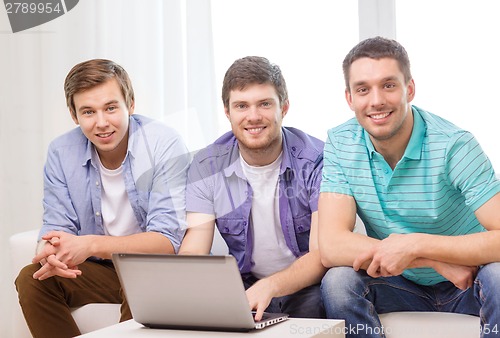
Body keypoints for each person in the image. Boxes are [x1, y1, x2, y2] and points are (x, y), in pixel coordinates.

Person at [318, 36, 500, 337]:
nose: (376, 100)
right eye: (363, 89)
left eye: (388, 85)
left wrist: (416, 244)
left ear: (409, 89)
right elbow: (331, 245)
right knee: (338, 282)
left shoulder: (454, 145)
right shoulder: (340, 143)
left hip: (469, 280)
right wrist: (433, 261)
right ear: (350, 98)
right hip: (399, 283)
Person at [15, 59, 190, 338]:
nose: (101, 123)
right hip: (101, 271)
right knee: (32, 279)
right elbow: (57, 224)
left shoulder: (163, 143)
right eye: (88, 111)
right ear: (74, 115)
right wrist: (50, 249)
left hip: (152, 267)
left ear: (130, 105)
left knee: (141, 277)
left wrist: (91, 244)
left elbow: (166, 241)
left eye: (110, 108)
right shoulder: (62, 151)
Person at [179, 56, 326, 321]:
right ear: (228, 112)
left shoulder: (316, 160)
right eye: (241, 106)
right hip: (244, 284)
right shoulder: (207, 165)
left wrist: (270, 286)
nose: (253, 116)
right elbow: (196, 245)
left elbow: (320, 255)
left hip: (307, 286)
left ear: (284, 107)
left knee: (319, 303)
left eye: (265, 104)